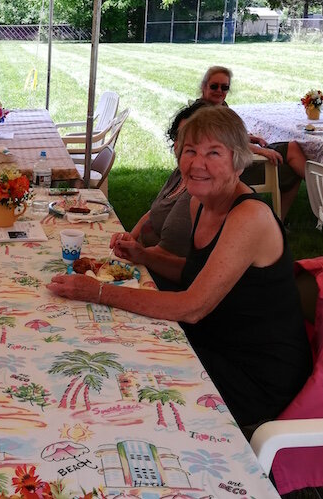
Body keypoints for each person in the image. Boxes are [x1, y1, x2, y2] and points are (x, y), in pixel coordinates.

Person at [48, 106, 311, 429]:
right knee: (109, 346)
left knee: (125, 384)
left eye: (213, 152)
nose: (197, 163)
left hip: (255, 375)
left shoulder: (250, 217)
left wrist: (99, 291)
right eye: (190, 151)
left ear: (238, 160)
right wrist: (144, 256)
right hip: (213, 341)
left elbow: (192, 306)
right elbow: (195, 273)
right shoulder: (199, 201)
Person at [108, 100, 209, 291]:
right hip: (146, 260)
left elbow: (172, 257)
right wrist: (130, 237)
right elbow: (152, 213)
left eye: (194, 139)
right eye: (180, 136)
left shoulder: (196, 194)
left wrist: (138, 254)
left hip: (160, 277)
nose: (182, 144)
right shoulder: (180, 174)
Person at [197, 65, 307, 218]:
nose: (219, 91)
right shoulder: (203, 113)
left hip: (240, 158)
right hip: (234, 169)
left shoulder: (220, 107)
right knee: (292, 170)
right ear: (203, 86)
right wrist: (262, 150)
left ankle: (309, 200)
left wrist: (251, 138)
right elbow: (226, 142)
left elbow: (230, 134)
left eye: (225, 87)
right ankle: (280, 220)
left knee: (293, 147)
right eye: (214, 86)